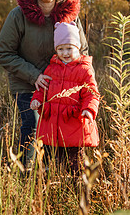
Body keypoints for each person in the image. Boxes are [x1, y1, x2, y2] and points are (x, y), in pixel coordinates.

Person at [0, 0, 88, 167]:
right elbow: (3, 52)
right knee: (34, 125)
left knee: (59, 133)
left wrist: (79, 83)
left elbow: (83, 52)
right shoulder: (18, 15)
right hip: (27, 85)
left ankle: (50, 177)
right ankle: (24, 175)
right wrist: (34, 75)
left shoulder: (70, 15)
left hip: (62, 88)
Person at [30, 21, 100, 174]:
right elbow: (43, 88)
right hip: (54, 125)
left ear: (78, 48)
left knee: (75, 161)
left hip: (73, 123)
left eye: (69, 48)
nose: (65, 53)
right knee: (56, 160)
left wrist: (89, 109)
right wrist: (37, 99)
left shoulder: (84, 69)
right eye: (61, 49)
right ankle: (59, 186)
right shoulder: (52, 68)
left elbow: (92, 93)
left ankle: (78, 188)